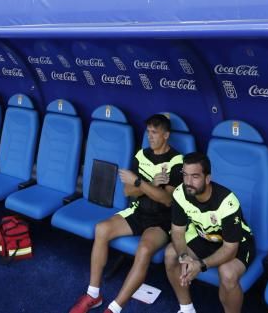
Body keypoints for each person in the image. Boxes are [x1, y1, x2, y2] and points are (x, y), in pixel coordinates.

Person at [68, 115, 184, 313]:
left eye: (154, 132)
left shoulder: (176, 160)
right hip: (139, 211)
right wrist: (151, 185)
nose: (150, 136)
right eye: (148, 132)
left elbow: (167, 199)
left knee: (145, 248)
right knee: (101, 229)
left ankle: (114, 308)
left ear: (166, 135)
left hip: (162, 219)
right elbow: (127, 191)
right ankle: (93, 295)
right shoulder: (141, 155)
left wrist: (140, 183)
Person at [163, 153, 254, 313]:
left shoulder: (227, 202)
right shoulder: (180, 193)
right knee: (171, 254)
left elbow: (230, 249)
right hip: (205, 237)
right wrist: (183, 257)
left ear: (207, 178)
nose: (188, 182)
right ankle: (186, 309)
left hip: (237, 243)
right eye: (185, 175)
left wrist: (201, 265)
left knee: (227, 274)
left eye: (195, 176)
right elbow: (177, 232)